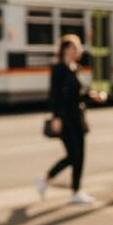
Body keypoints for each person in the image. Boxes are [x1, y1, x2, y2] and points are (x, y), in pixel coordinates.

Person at [36, 34, 103, 205]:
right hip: (64, 118)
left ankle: (76, 191)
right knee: (73, 155)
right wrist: (56, 117)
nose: (79, 50)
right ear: (66, 49)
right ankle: (46, 178)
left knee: (80, 156)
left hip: (78, 117)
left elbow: (79, 94)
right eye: (76, 47)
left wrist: (92, 95)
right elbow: (54, 95)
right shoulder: (58, 69)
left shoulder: (76, 68)